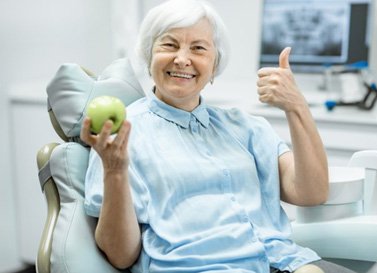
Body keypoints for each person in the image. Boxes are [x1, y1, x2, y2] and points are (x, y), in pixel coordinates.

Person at [80, 0, 356, 272]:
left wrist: (296, 106)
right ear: (149, 54)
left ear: (215, 65)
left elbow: (311, 192)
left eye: (198, 48)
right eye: (169, 44)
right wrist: (114, 171)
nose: (182, 59)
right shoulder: (122, 137)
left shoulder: (245, 127)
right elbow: (121, 256)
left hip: (283, 260)